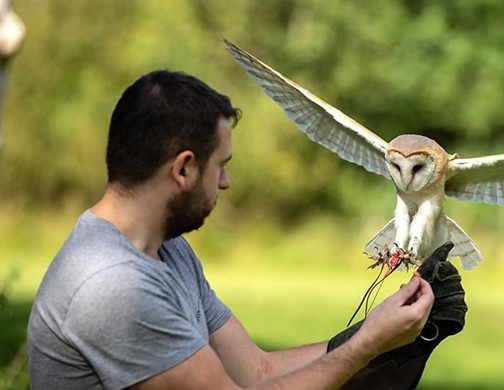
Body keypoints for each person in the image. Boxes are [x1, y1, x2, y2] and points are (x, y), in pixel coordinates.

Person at [27, 70, 467, 389]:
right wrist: (367, 344)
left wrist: (384, 335)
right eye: (220, 166)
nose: (225, 182)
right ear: (183, 168)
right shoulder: (111, 287)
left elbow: (257, 372)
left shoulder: (169, 252)